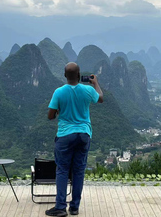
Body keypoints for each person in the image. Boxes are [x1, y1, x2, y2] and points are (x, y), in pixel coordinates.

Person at [45, 62, 103, 217]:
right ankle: (74, 207)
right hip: (83, 134)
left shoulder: (59, 92)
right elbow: (101, 98)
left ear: (65, 75)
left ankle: (60, 207)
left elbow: (50, 116)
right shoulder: (88, 90)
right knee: (78, 171)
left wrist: (58, 111)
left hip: (65, 136)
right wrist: (96, 83)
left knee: (62, 170)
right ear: (79, 75)